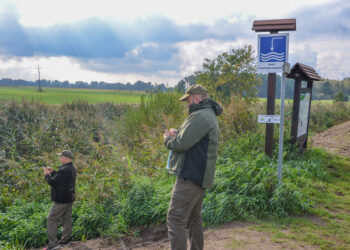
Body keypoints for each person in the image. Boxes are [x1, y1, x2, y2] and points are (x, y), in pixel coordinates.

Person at [164, 84, 223, 250]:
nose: (187, 104)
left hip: (190, 176)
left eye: (188, 100)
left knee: (175, 218)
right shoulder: (207, 114)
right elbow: (190, 139)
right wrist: (178, 133)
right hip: (200, 176)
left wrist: (168, 139)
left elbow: (181, 144)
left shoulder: (200, 116)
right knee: (193, 218)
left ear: (197, 98)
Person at [43, 150, 77, 250]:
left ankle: (53, 244)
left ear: (66, 158)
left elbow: (53, 182)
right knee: (66, 219)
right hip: (69, 198)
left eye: (61, 157)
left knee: (51, 219)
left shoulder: (64, 169)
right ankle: (65, 240)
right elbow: (61, 180)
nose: (60, 158)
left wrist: (47, 174)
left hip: (61, 200)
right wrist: (53, 172)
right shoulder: (71, 168)